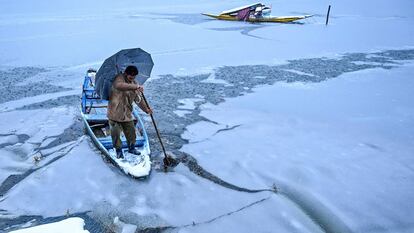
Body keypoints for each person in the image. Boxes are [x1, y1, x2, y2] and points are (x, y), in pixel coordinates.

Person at [107, 65, 152, 159]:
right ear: (126, 74)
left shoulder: (134, 83)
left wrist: (146, 109)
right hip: (114, 113)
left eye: (134, 77)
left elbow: (138, 100)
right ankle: (118, 151)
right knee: (115, 134)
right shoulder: (118, 79)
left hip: (127, 114)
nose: (132, 78)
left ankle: (131, 148)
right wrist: (136, 86)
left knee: (131, 132)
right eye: (130, 76)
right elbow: (119, 86)